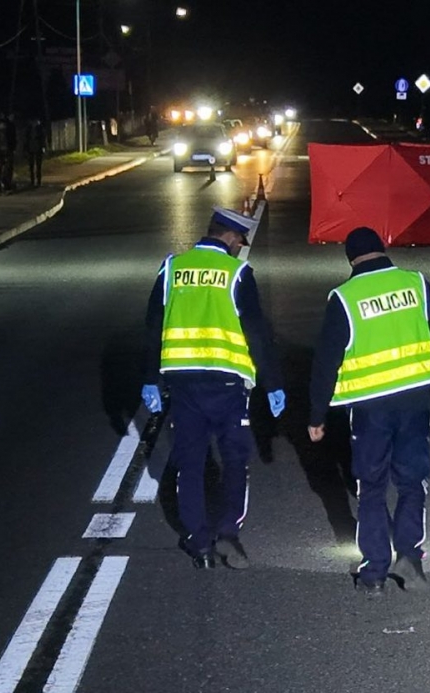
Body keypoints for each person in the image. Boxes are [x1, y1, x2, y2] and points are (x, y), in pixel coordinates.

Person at [308, 227, 430, 598]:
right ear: (382, 249)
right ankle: (410, 556)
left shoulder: (344, 297)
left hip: (370, 408)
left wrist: (317, 414)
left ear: (351, 259)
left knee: (371, 487)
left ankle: (374, 571)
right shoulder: (415, 284)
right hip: (416, 400)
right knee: (412, 480)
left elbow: (326, 361)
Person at [140, 207, 286, 570]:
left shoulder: (172, 267)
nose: (240, 247)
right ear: (232, 237)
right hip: (227, 383)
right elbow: (255, 331)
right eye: (240, 241)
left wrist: (149, 377)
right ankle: (227, 532)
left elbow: (153, 324)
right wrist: (272, 383)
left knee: (189, 463)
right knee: (235, 459)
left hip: (182, 382)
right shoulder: (238, 273)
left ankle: (199, 544)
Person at [24, 119, 46, 188]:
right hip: (31, 148)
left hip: (37, 148)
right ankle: (33, 181)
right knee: (32, 166)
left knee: (38, 166)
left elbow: (43, 138)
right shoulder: (29, 129)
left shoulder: (39, 129)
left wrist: (43, 146)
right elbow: (26, 139)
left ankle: (38, 181)